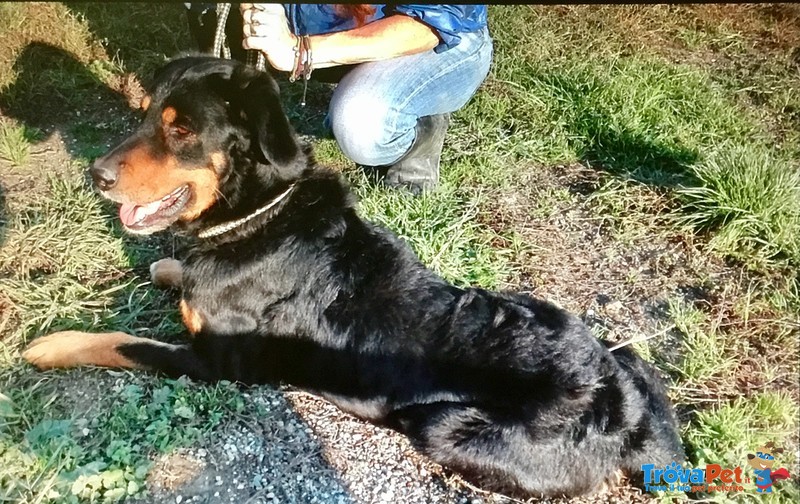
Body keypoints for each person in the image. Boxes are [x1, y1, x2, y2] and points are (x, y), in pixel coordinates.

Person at [185, 4, 493, 194]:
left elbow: (434, 22)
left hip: (435, 40)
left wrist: (301, 51)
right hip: (329, 28)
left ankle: (420, 127)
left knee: (361, 121)